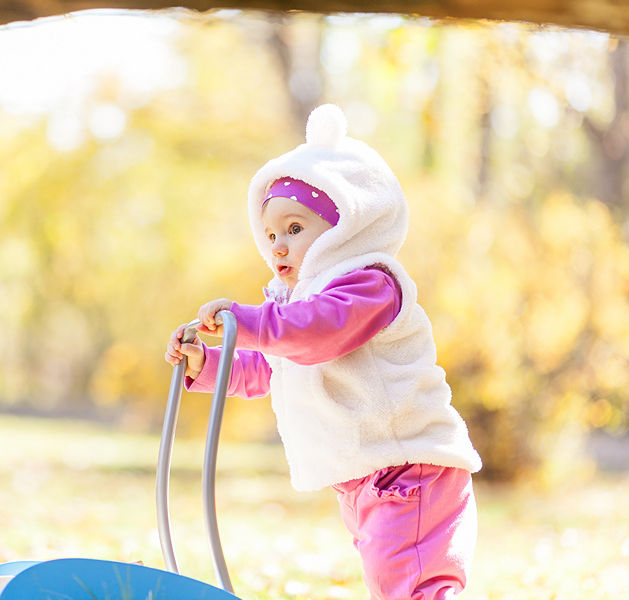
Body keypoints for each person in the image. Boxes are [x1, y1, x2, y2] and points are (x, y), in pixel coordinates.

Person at [164, 104, 482, 600]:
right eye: (270, 235)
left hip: (409, 468)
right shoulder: (297, 308)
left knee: (413, 587)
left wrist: (245, 322)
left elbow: (316, 334)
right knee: (393, 582)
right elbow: (276, 370)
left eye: (295, 229)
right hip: (366, 476)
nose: (278, 248)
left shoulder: (369, 286)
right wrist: (209, 362)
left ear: (344, 229)